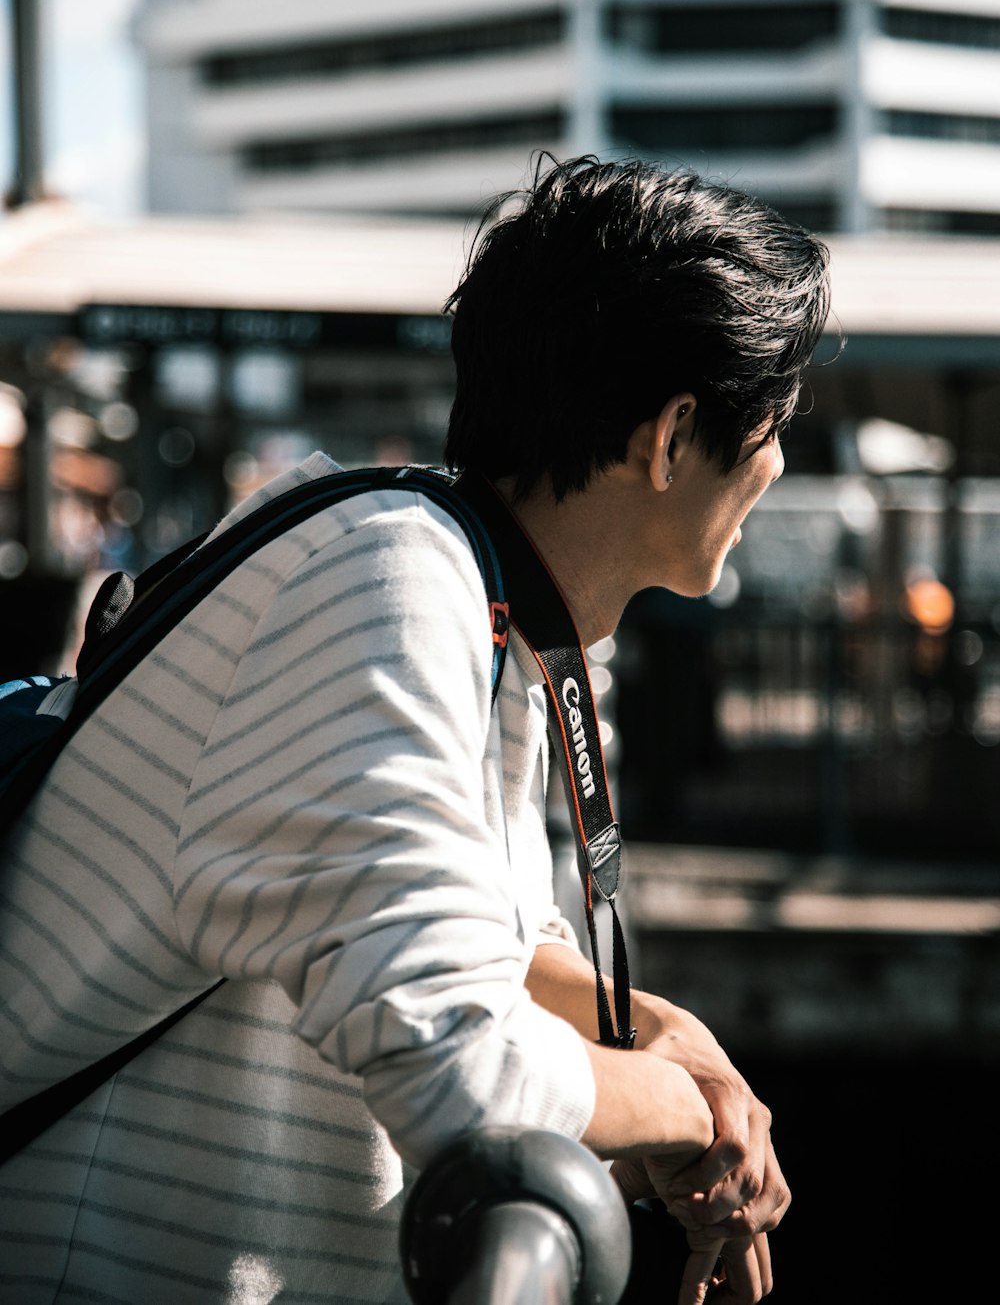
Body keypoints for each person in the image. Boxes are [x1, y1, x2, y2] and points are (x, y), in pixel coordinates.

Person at [0, 154, 831, 1305]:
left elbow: (459, 925)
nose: (779, 464)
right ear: (674, 435)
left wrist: (646, 1025)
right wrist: (691, 1114)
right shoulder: (385, 576)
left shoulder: (479, 598)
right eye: (773, 426)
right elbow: (462, 1060)